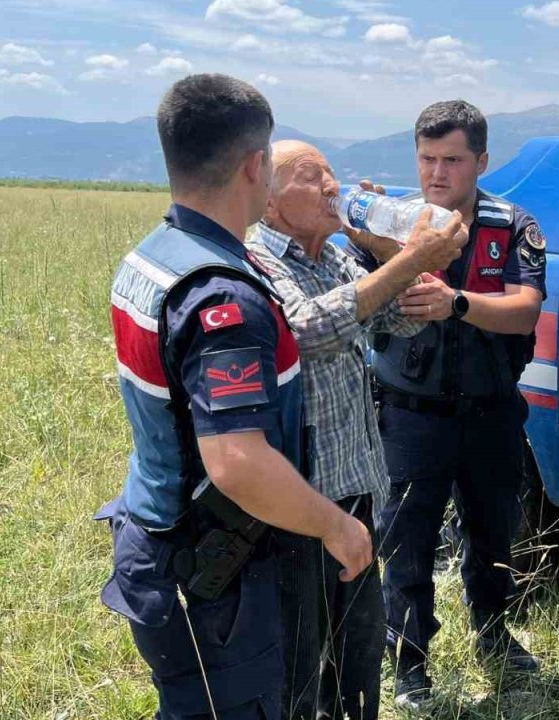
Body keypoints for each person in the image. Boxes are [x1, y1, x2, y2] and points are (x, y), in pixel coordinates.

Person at [97, 74, 373, 719]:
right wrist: (337, 525)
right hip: (215, 573)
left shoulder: (157, 255)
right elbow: (238, 461)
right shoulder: (225, 296)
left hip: (161, 541)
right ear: (256, 166)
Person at [243, 140, 467, 719]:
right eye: (310, 177)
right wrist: (405, 263)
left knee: (360, 651)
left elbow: (397, 320)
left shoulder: (336, 257)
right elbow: (307, 331)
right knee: (299, 657)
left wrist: (390, 254)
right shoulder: (257, 261)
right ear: (268, 201)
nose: (331, 188)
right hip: (299, 501)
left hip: (358, 487)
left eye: (332, 176)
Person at [362, 99, 548, 710]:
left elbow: (525, 308)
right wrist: (353, 223)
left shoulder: (511, 224)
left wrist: (456, 303)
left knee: (495, 533)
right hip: (411, 414)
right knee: (406, 542)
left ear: (481, 161)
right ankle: (409, 661)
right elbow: (347, 283)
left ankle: (493, 634)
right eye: (426, 159)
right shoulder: (393, 223)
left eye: (452, 160)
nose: (437, 173)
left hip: (492, 412)